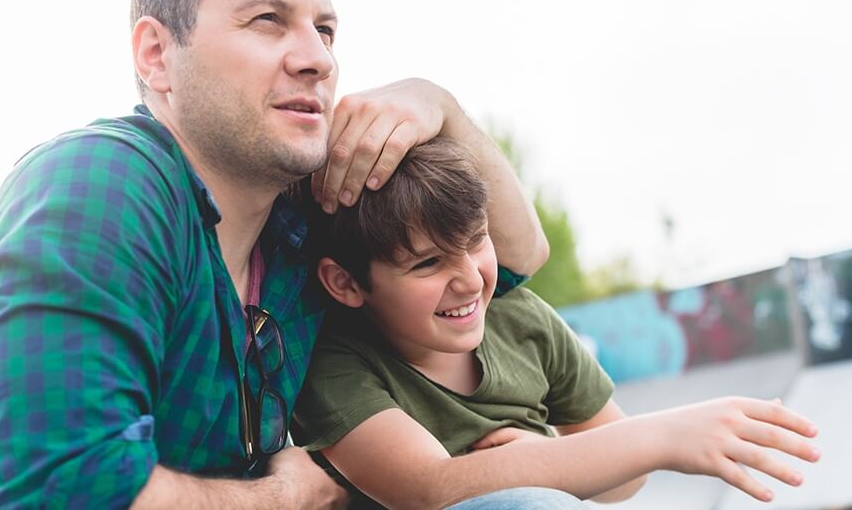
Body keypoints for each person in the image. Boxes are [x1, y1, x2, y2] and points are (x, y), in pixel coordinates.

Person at [0, 0, 552, 508]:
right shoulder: (98, 187)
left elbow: (519, 261)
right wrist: (285, 496)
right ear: (157, 54)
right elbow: (62, 492)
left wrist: (439, 105)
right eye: (269, 19)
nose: (318, 58)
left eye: (326, 30)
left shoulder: (300, 223)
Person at [293, 137, 822, 509]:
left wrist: (551, 455)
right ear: (346, 283)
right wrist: (665, 435)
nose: (471, 281)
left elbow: (625, 482)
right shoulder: (335, 364)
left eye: (477, 241)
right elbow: (429, 489)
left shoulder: (519, 318)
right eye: (427, 263)